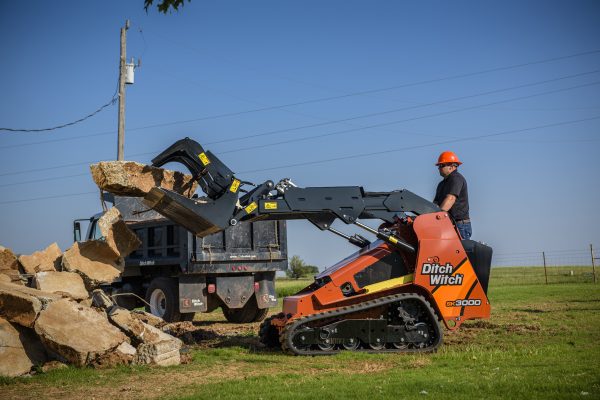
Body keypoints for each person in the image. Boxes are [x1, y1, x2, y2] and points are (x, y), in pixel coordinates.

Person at [433, 151, 471, 240]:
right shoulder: (441, 184)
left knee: (460, 253)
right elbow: (435, 205)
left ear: (452, 166)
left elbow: (451, 199)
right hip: (448, 224)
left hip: (460, 225)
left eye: (442, 165)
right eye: (439, 166)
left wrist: (436, 218)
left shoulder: (456, 179)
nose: (439, 168)